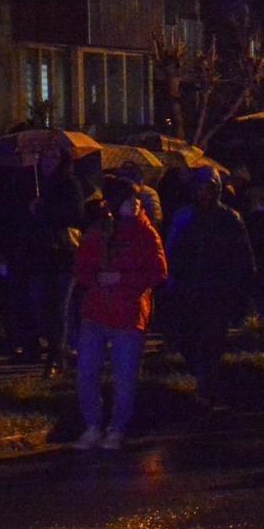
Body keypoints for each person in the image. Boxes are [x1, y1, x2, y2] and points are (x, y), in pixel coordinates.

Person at [71, 178, 168, 450]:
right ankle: (92, 425)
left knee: (124, 378)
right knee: (87, 373)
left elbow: (158, 272)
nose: (136, 203)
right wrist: (95, 278)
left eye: (137, 199)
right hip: (96, 313)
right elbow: (81, 268)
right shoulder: (98, 233)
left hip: (128, 315)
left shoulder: (146, 233)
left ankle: (116, 428)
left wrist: (122, 279)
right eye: (129, 199)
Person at [162, 166, 255, 406]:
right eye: (199, 188)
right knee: (186, 336)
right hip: (188, 286)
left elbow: (242, 254)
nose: (203, 193)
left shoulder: (229, 218)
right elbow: (171, 248)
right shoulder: (184, 216)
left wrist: (239, 286)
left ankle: (208, 387)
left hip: (217, 289)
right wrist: (170, 278)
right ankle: (201, 376)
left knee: (213, 340)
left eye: (208, 188)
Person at [19, 147, 87, 376]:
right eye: (46, 156)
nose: (49, 161)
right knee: (40, 305)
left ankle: (55, 357)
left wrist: (43, 210)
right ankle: (59, 349)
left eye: (54, 156)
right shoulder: (32, 184)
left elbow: (75, 214)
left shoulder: (70, 184)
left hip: (63, 255)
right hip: (39, 255)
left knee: (59, 307)